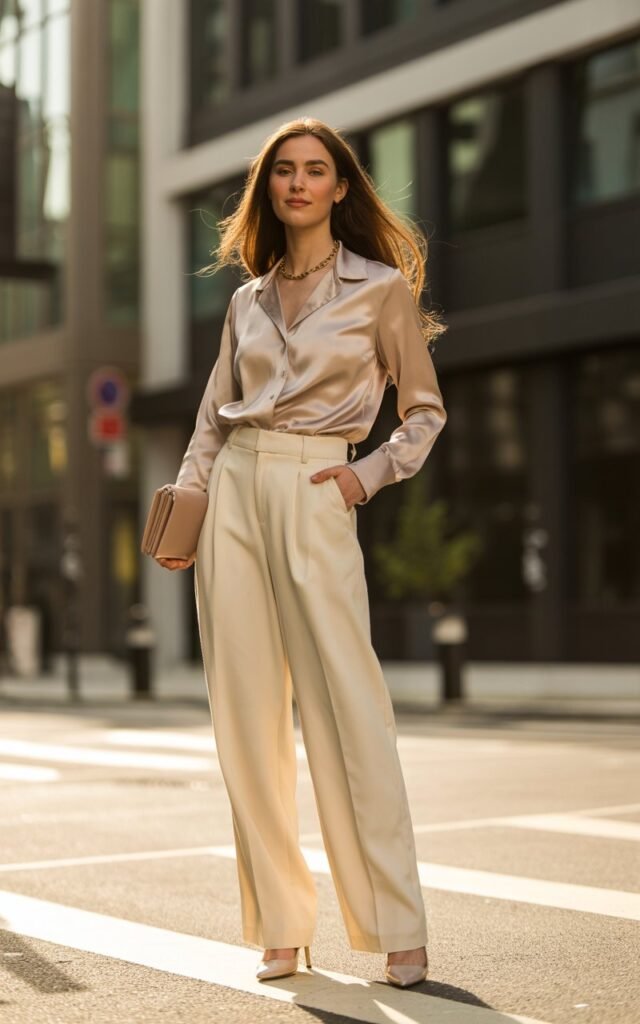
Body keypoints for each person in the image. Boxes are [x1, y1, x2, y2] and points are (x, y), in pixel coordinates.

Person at [157, 116, 447, 988]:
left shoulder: (379, 289)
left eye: (316, 170)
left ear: (341, 187)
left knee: (348, 708)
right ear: (268, 189)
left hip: (321, 487)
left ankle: (397, 923)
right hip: (236, 495)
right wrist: (190, 505)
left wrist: (367, 476)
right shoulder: (247, 302)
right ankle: (280, 923)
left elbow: (424, 412)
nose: (298, 184)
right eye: (283, 171)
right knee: (245, 715)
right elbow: (213, 418)